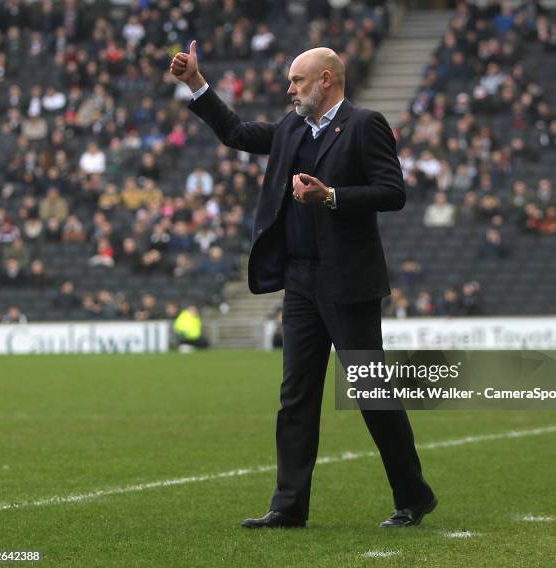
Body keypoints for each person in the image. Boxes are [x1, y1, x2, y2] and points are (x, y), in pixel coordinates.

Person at [170, 41, 436, 529]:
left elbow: (392, 192)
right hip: (300, 281)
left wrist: (331, 196)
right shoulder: (293, 126)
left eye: (297, 80)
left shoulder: (363, 124)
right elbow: (236, 132)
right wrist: (196, 85)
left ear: (326, 81)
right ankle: (288, 506)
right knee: (296, 397)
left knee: (371, 394)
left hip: (347, 282)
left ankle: (413, 495)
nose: (289, 88)